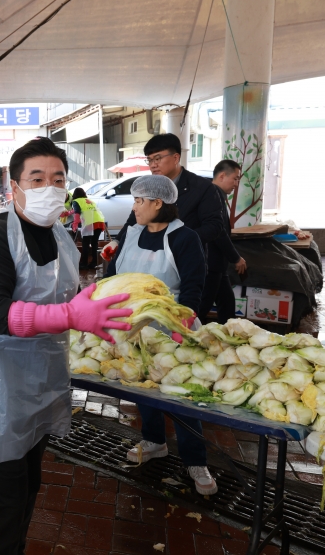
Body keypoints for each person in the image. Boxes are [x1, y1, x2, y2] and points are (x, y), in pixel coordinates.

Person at [0, 137, 133, 554]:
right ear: (14, 187)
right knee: (2, 506)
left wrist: (150, 309)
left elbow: (75, 299)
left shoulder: (62, 236)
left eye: (57, 178)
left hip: (40, 385)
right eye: (37, 178)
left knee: (27, 488)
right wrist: (68, 318)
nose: (50, 186)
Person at [105, 174, 217, 495]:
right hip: (134, 327)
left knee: (181, 393)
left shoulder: (184, 238)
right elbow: (113, 276)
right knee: (144, 388)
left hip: (171, 327)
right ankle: (154, 441)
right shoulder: (131, 232)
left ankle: (195, 461)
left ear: (158, 203)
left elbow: (195, 285)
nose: (135, 207)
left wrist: (183, 326)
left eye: (139, 201)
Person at [107, 133, 224, 265]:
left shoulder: (202, 188)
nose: (153, 165)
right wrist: (116, 241)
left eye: (157, 159)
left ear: (175, 158)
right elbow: (134, 220)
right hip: (150, 260)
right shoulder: (149, 187)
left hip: (186, 260)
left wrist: (179, 240)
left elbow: (214, 226)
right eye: (150, 160)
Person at [199, 159, 247, 322]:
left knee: (227, 303)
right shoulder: (212, 195)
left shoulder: (212, 193)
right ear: (221, 176)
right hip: (210, 263)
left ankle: (229, 335)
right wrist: (236, 258)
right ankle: (182, 338)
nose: (236, 184)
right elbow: (218, 233)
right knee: (201, 308)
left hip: (217, 264)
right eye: (235, 179)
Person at [70, 187, 106, 269]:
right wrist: (67, 213)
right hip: (100, 222)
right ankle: (94, 263)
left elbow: (77, 213)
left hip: (90, 223)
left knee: (85, 243)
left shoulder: (76, 201)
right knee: (94, 243)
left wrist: (75, 224)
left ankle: (84, 264)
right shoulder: (90, 201)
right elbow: (76, 210)